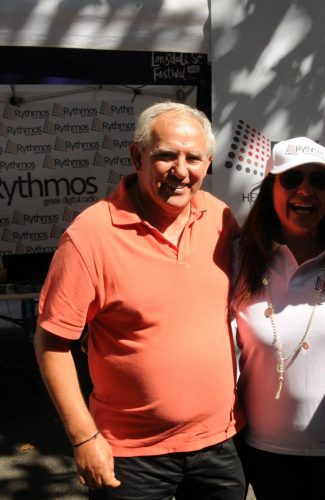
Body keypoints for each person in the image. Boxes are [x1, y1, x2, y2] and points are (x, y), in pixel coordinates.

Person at [34, 101, 246, 499]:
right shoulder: (89, 237)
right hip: (132, 455)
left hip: (218, 443)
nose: (180, 171)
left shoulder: (219, 219)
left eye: (193, 158)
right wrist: (83, 437)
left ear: (208, 162)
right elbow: (51, 342)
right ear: (137, 156)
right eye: (166, 156)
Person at [232, 137, 325, 500]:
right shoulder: (239, 258)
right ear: (270, 188)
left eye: (318, 180)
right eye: (291, 178)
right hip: (266, 454)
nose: (306, 190)